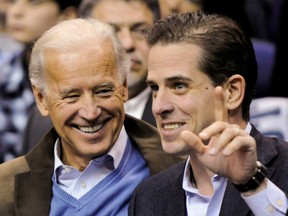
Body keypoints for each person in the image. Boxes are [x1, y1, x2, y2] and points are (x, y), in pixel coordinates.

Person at [0, 18, 182, 215]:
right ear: (41, 98)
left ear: (124, 87)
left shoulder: (182, 169)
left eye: (103, 91)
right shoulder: (5, 187)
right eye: (72, 96)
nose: (91, 112)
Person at [129, 11, 288, 215]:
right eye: (155, 88)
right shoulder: (148, 197)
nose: (159, 107)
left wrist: (252, 185)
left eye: (179, 86)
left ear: (232, 92)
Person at [21, 0, 160, 154]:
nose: (127, 44)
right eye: (112, 31)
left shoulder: (177, 114)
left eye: (141, 30)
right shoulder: (40, 123)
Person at [0, 0, 81, 162]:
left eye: (34, 2)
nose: (16, 12)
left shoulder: (85, 79)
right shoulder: (4, 75)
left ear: (68, 15)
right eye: (13, 1)